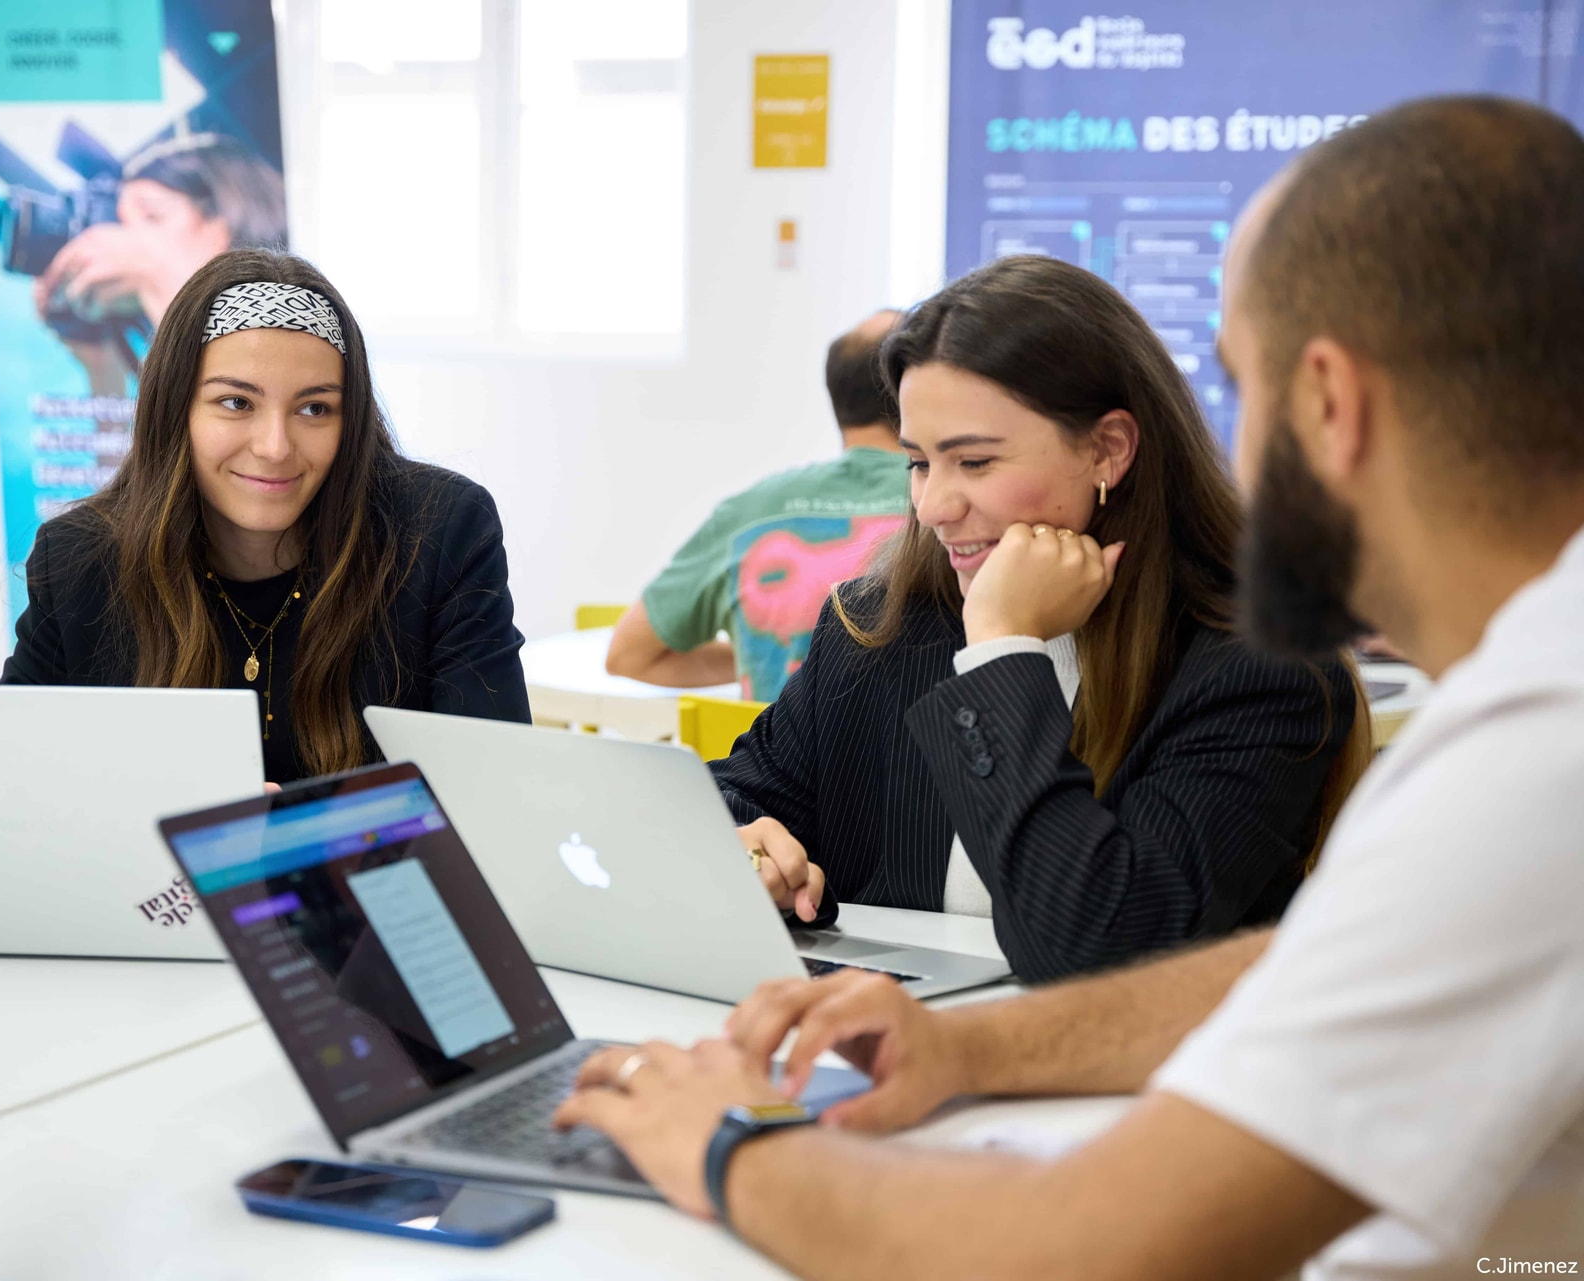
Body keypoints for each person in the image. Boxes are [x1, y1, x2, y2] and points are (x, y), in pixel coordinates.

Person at [553, 95, 1584, 1279]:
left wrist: (727, 1146)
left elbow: (1077, 1246)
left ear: (1330, 405)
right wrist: (975, 1052)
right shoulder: (1535, 707)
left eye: (1244, 392)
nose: (937, 503)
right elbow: (1312, 967)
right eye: (922, 463)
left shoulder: (1532, 753)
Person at [717, 254, 1368, 983]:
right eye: (920, 463)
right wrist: (748, 846)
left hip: (1118, 1085)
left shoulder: (1257, 669)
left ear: (1108, 450)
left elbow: (1097, 944)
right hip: (891, 1055)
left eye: (975, 462)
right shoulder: (880, 628)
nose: (932, 506)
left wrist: (1001, 651)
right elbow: (733, 792)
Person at [1, 247, 531, 783]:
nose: (275, 446)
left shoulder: (440, 532)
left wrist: (288, 833)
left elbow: (494, 788)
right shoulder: (79, 559)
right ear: (174, 406)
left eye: (315, 408)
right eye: (236, 403)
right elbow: (9, 781)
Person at [606, 310, 911, 700]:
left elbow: (629, 656)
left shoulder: (746, 513)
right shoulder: (959, 509)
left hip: (769, 759)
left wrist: (764, 657)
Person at [35, 133, 290, 403]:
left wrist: (155, 274)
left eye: (153, 217)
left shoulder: (294, 340)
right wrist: (104, 372)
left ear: (221, 226)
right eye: (122, 224)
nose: (128, 239)